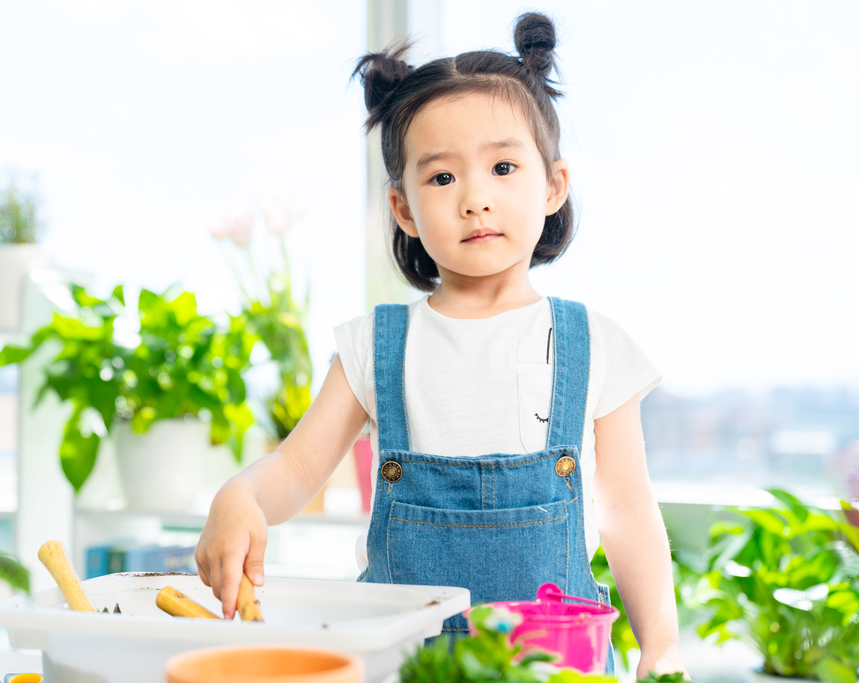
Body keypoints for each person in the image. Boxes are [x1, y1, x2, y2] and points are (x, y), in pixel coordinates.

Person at [195, 11, 686, 676]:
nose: (475, 198)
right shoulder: (375, 346)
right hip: (403, 666)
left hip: (554, 667)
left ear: (552, 186)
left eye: (503, 167)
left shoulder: (593, 342)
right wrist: (239, 498)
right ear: (402, 209)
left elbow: (627, 507)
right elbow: (292, 471)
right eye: (442, 177)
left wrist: (660, 645)